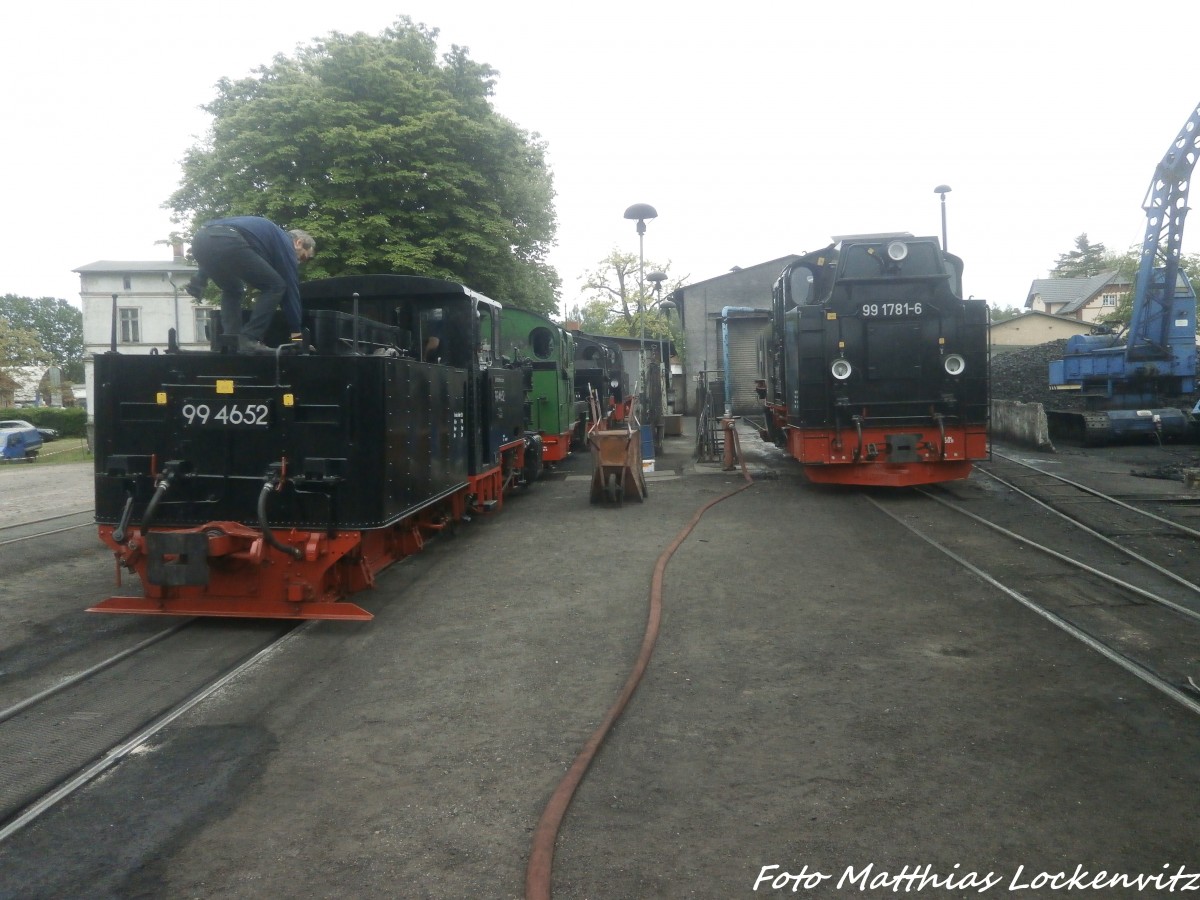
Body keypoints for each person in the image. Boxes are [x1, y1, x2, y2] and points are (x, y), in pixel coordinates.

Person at [185, 216, 316, 354]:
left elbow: (216, 244)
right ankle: (249, 339)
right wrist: (297, 338)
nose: (299, 262)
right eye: (302, 257)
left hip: (200, 240)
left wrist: (200, 278)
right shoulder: (286, 244)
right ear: (299, 242)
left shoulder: (264, 237)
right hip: (227, 241)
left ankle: (232, 341)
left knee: (233, 289)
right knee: (276, 286)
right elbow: (291, 294)